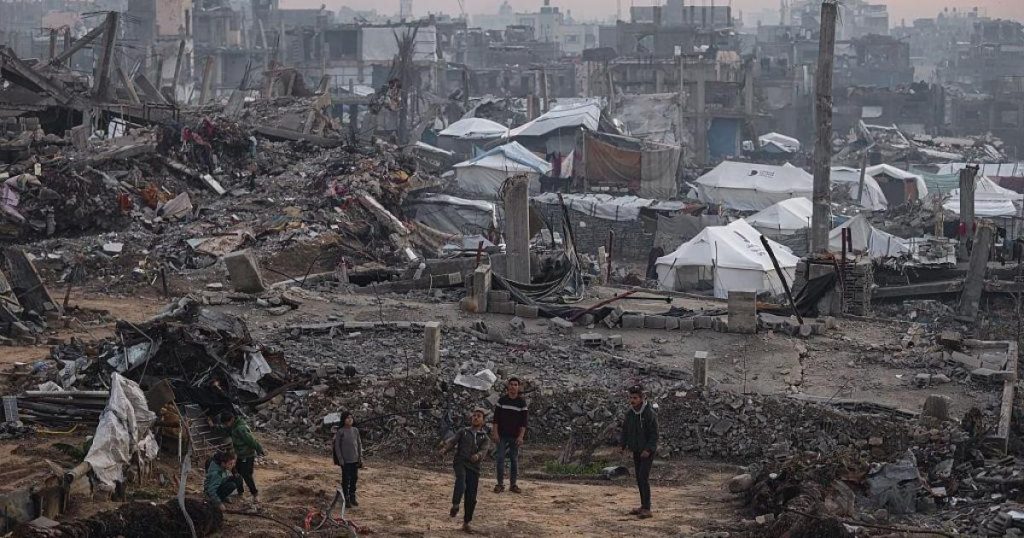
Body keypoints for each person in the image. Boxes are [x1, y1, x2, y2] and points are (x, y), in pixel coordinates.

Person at [440, 408, 491, 533]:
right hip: (460, 462)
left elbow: (484, 451)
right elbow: (452, 442)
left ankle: (466, 523)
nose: (476, 417)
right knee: (461, 481)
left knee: (471, 497)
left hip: (474, 467)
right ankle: (455, 505)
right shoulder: (463, 432)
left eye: (479, 416)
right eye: (474, 415)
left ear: (483, 421)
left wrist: (477, 456)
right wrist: (444, 450)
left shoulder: (485, 438)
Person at [620, 384, 658, 519]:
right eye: (631, 397)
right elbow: (625, 430)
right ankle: (643, 506)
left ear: (642, 398)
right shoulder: (630, 413)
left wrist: (648, 449)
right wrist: (622, 445)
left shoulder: (649, 414)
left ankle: (647, 508)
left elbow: (654, 434)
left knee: (643, 477)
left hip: (647, 452)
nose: (632, 400)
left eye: (635, 398)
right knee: (638, 478)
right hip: (636, 450)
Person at [492, 377, 528, 493]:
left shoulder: (521, 403)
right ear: (508, 386)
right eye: (511, 384)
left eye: (515, 385)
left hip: (515, 436)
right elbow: (496, 419)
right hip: (501, 435)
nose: (513, 386)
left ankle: (513, 485)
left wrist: (521, 436)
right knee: (500, 458)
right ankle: (500, 484)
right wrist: (495, 433)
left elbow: (524, 422)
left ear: (518, 387)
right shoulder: (502, 401)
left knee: (514, 460)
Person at [222, 413, 265, 503]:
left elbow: (251, 440)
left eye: (226, 423)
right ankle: (240, 492)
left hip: (247, 455)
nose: (226, 425)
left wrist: (259, 449)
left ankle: (255, 494)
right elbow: (224, 429)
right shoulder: (234, 426)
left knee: (246, 475)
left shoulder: (240, 428)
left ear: (232, 419)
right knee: (235, 471)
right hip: (241, 454)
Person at [332, 411, 364, 507]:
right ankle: (346, 498)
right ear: (343, 420)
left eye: (351, 417)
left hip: (355, 460)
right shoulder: (340, 432)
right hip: (345, 461)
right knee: (346, 479)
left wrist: (360, 457)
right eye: (347, 418)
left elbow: (359, 444)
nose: (350, 419)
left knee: (354, 478)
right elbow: (337, 447)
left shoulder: (355, 430)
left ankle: (352, 496)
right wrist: (340, 459)